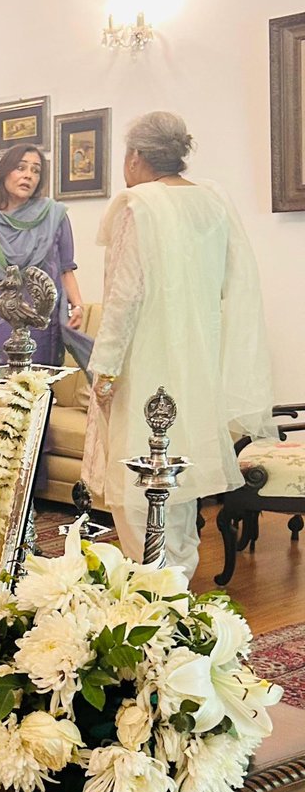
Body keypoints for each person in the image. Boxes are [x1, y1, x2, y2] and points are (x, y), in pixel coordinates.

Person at [83, 111, 275, 577]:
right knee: (181, 482)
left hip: (145, 365)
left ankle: (149, 590)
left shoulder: (137, 204)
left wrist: (103, 371)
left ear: (134, 157)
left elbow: (123, 297)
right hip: (197, 365)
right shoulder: (213, 199)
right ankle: (177, 585)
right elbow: (235, 282)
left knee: (137, 483)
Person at [0, 143, 93, 378]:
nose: (28, 175)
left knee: (35, 399)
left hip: (41, 330)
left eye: (35, 170)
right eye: (20, 168)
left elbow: (65, 269)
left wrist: (78, 306)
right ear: (4, 172)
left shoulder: (54, 216)